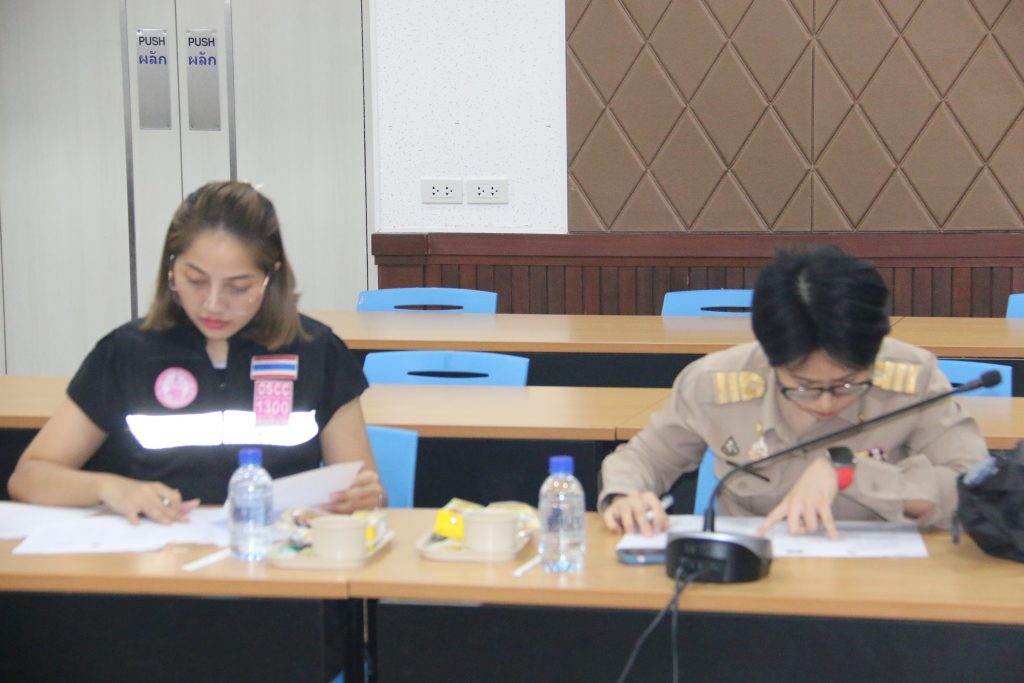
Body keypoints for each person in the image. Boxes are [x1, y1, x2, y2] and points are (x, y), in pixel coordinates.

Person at [8, 181, 383, 524]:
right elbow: (29, 477)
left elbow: (368, 493)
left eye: (238, 287)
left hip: (278, 558)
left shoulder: (317, 352)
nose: (213, 304)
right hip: (157, 560)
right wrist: (110, 488)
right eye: (196, 280)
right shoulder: (127, 352)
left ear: (271, 279)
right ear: (171, 270)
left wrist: (366, 497)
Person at [601, 246, 988, 539]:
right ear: (770, 357)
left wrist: (852, 474)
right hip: (754, 576)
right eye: (803, 386)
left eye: (848, 383)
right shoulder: (714, 383)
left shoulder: (913, 379)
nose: (826, 402)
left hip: (882, 579)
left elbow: (978, 490)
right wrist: (625, 496)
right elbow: (644, 458)